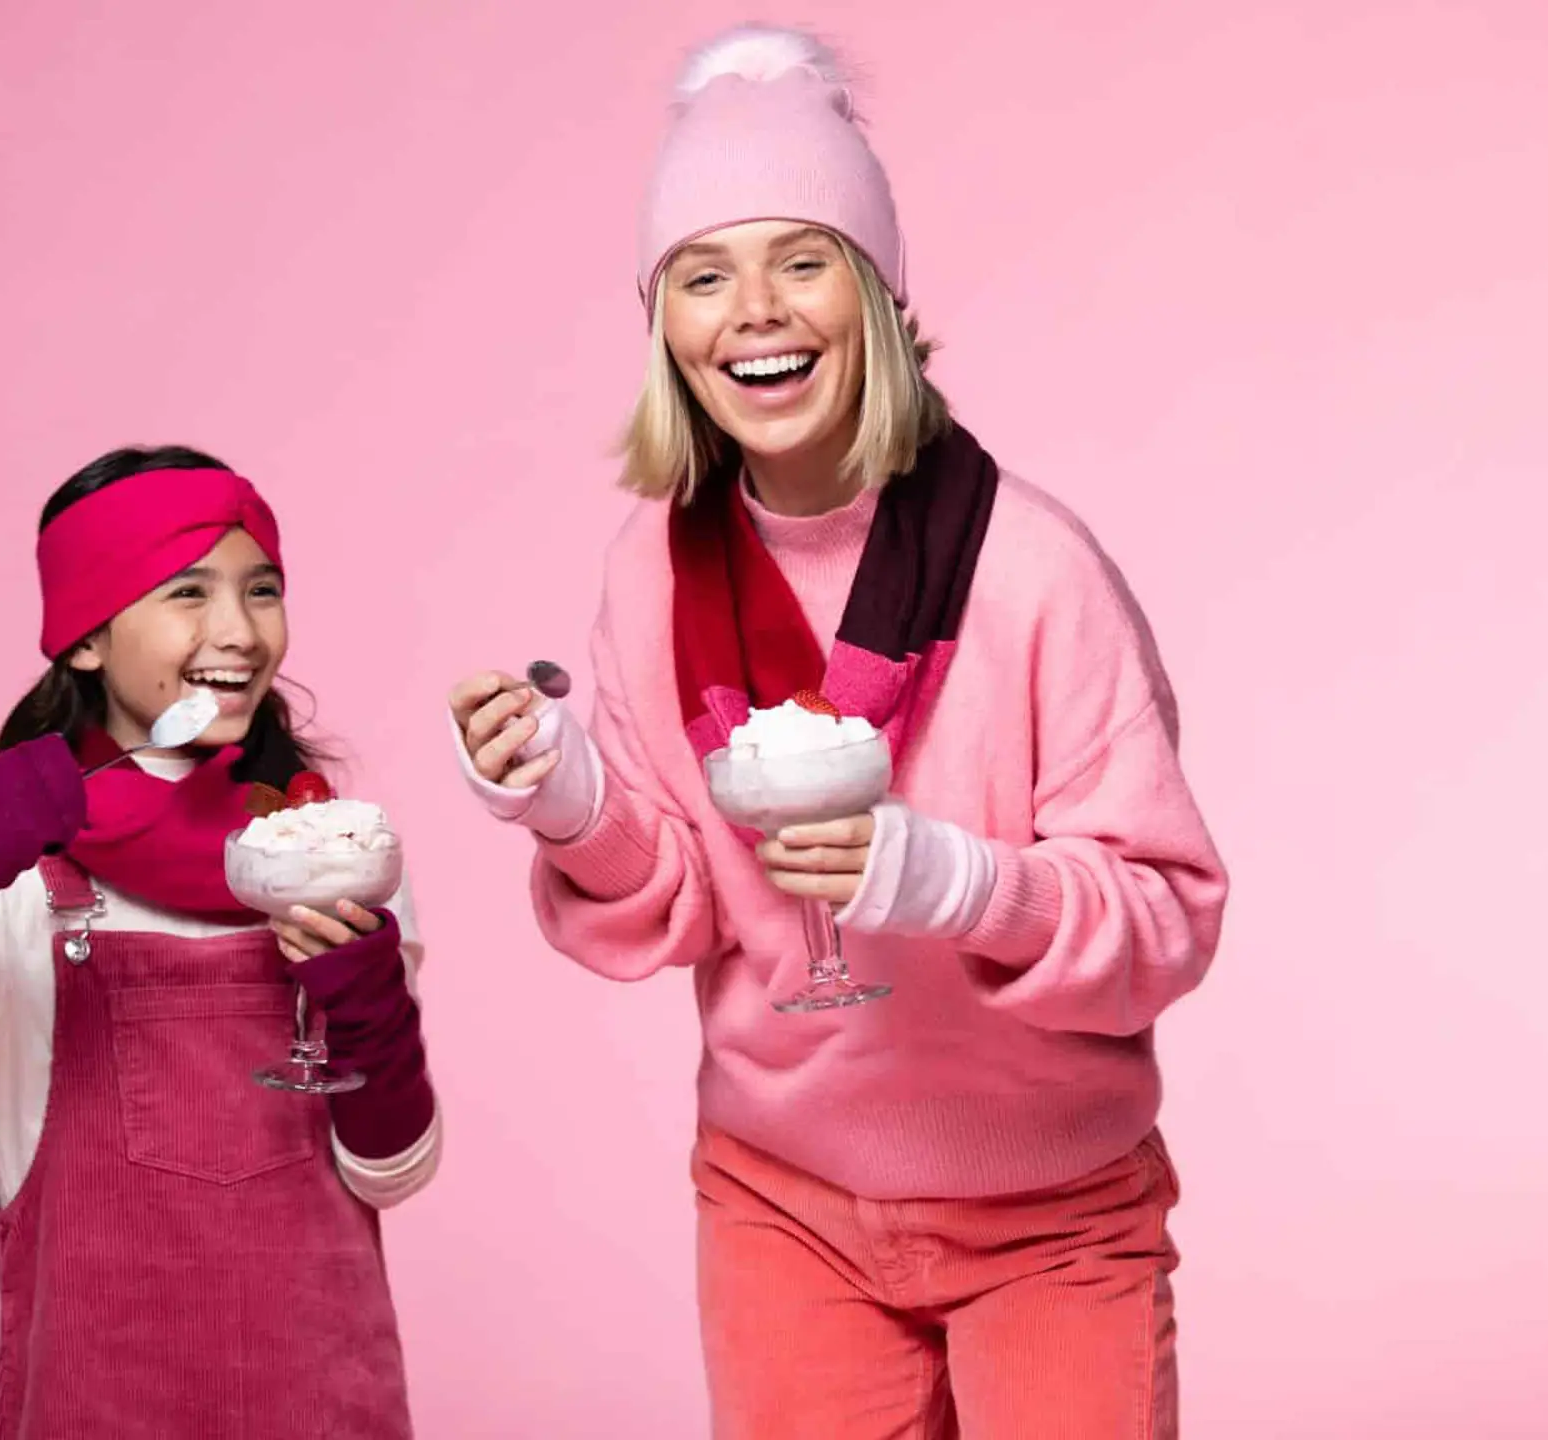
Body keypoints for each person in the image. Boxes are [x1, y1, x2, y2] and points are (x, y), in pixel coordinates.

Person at [448, 27, 1228, 1438]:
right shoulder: (651, 570)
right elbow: (680, 898)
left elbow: (1164, 920)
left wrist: (955, 882)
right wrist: (564, 796)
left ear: (873, 293)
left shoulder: (1031, 567)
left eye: (801, 260)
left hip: (1050, 1213)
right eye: (703, 274)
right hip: (781, 1202)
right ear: (664, 327)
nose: (755, 310)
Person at [0, 445, 435, 1438]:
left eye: (261, 588)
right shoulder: (23, 874)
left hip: (322, 1407)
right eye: (187, 592)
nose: (240, 631)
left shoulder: (336, 855)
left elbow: (392, 1175)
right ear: (86, 640)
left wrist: (372, 1008)